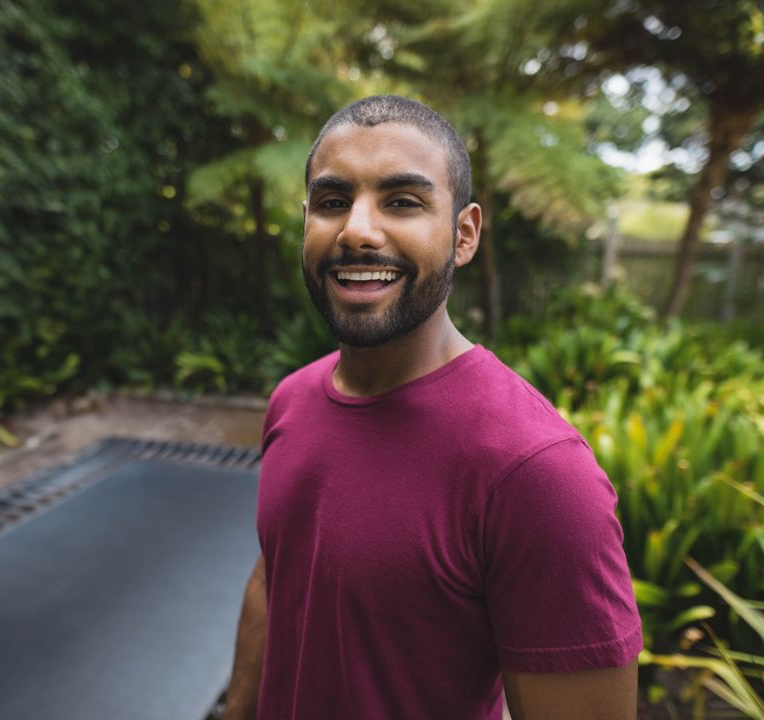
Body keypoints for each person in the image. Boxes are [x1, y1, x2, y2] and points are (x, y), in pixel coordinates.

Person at [222, 95, 642, 720]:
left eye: (403, 201)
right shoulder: (292, 401)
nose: (357, 230)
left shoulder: (538, 473)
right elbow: (275, 584)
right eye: (333, 202)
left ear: (464, 234)